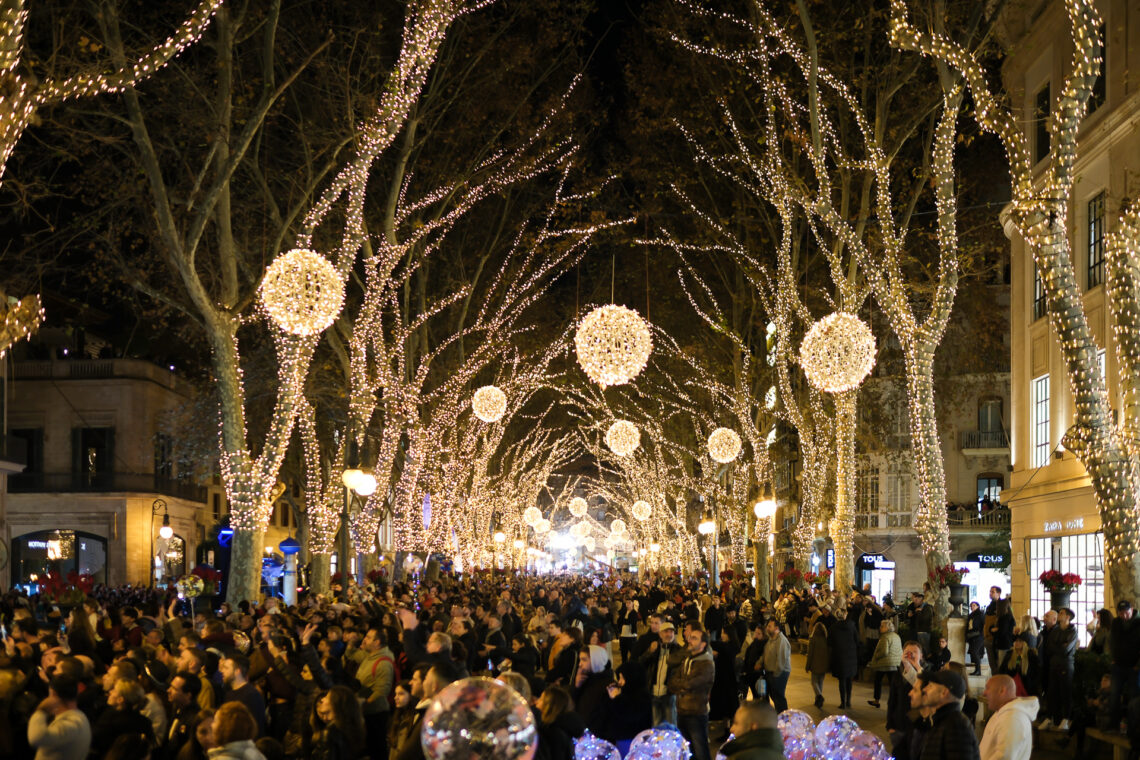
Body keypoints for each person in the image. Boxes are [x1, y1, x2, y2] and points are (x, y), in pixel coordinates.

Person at [668, 624, 715, 760]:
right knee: (688, 752)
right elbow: (672, 682)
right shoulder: (688, 660)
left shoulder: (706, 664)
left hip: (696, 713)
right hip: (682, 711)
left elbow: (690, 684)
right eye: (690, 637)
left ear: (703, 644)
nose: (689, 640)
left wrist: (680, 685)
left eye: (694, 638)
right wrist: (680, 685)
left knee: (701, 751)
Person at [350, 627, 395, 760]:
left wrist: (365, 703)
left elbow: (382, 690)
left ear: (377, 643)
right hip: (366, 710)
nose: (365, 639)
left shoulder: (383, 662)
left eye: (369, 637)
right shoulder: (370, 655)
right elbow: (351, 655)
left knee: (377, 748)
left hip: (375, 713)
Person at [27, 673, 92, 760]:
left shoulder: (72, 723)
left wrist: (41, 711)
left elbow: (36, 738)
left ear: (53, 694)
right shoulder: (80, 717)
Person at [920, 670, 980, 760]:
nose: (925, 689)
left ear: (944, 692)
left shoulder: (956, 725)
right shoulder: (943, 720)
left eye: (931, 686)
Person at [979, 675, 1038, 760]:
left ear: (1002, 691)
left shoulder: (1013, 718)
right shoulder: (1002, 713)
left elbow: (1004, 757)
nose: (984, 693)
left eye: (988, 688)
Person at [1040, 606, 1077, 732]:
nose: (1059, 614)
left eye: (1061, 613)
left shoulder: (1072, 631)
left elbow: (1066, 650)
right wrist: (1060, 647)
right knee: (1052, 692)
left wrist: (1059, 648)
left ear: (1067, 617)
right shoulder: (1055, 631)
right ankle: (1051, 718)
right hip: (1054, 664)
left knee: (1065, 692)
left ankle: (1065, 719)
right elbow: (1049, 647)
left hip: (1066, 665)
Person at [641, 620, 682, 726]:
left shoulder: (678, 651)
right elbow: (641, 664)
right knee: (656, 725)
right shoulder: (654, 648)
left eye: (671, 632)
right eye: (666, 631)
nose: (669, 634)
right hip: (654, 693)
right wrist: (650, 652)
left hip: (669, 694)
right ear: (660, 634)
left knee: (671, 725)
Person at [717, 700, 784, 760]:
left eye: (736, 723)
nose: (731, 729)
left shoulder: (739, 757)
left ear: (753, 728)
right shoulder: (781, 756)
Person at [1109, 599, 1138, 731]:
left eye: (1126, 613)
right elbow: (1112, 641)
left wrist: (1138, 665)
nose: (1124, 616)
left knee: (1133, 697)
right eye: (1121, 613)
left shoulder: (1138, 623)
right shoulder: (1116, 623)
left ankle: (1133, 728)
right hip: (1118, 665)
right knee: (1114, 695)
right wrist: (1113, 658)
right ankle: (1114, 725)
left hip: (1134, 667)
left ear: (1131, 609)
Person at [220, 654, 266, 737]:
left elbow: (255, 728)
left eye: (226, 668)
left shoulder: (251, 695)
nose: (222, 671)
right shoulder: (229, 694)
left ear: (237, 671)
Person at [829, 607, 860, 709]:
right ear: (845, 615)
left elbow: (829, 642)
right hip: (850, 656)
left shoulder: (833, 627)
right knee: (849, 680)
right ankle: (849, 701)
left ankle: (842, 702)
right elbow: (857, 640)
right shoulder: (852, 626)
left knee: (841, 680)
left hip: (839, 656)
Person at [868, 618, 902, 708]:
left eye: (882, 626)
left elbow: (884, 652)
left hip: (884, 664)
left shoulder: (885, 637)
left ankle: (877, 700)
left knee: (878, 681)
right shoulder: (896, 636)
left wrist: (876, 656)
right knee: (893, 684)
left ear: (887, 628)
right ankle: (896, 701)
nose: (880, 628)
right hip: (895, 664)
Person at [761, 619, 791, 713]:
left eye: (770, 626)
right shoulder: (771, 639)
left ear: (776, 628)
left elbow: (781, 660)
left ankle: (784, 718)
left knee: (779, 697)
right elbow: (765, 654)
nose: (767, 628)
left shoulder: (781, 640)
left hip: (780, 673)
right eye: (767, 626)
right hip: (772, 672)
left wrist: (776, 675)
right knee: (774, 696)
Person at [805, 616, 829, 709]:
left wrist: (807, 666)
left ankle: (819, 696)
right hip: (824, 664)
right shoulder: (826, 639)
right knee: (820, 681)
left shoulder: (813, 639)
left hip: (815, 664)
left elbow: (810, 654)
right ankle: (818, 700)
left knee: (814, 681)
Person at [966, 603, 985, 676]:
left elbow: (983, 625)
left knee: (975, 652)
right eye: (971, 606)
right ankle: (977, 670)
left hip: (978, 636)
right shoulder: (971, 615)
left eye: (974, 605)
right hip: (972, 637)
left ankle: (978, 670)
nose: (972, 607)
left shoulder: (980, 614)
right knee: (973, 653)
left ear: (978, 606)